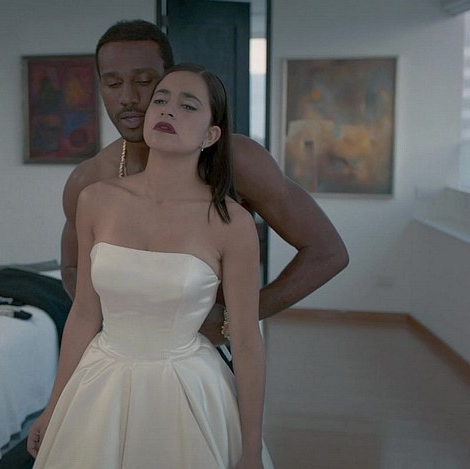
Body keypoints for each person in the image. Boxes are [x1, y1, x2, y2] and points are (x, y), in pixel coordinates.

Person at [28, 63, 272, 468]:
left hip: (187, 389)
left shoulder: (231, 222)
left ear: (210, 135)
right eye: (160, 99)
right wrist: (53, 407)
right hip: (100, 383)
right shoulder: (96, 200)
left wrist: (251, 449)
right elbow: (85, 314)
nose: (168, 109)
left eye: (187, 105)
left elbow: (247, 343)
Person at [60, 20, 348, 344]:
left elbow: (327, 252)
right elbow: (72, 270)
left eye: (144, 81)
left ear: (168, 81)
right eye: (112, 83)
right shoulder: (90, 180)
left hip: (207, 355)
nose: (128, 97)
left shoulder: (236, 160)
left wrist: (234, 320)